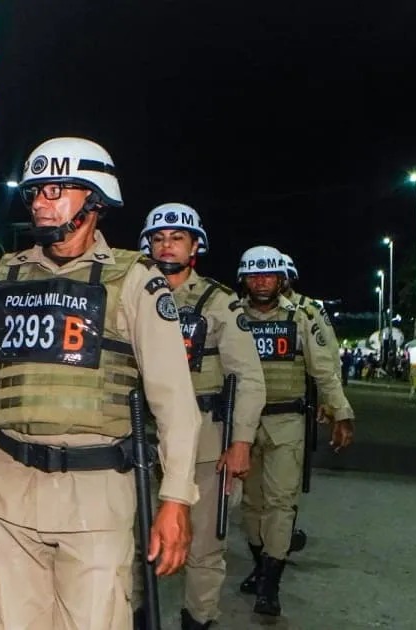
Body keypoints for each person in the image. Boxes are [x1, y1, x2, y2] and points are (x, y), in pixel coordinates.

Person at [0, 136, 203, 630]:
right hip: (11, 490)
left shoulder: (136, 282)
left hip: (96, 497)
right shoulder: (3, 279)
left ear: (94, 199)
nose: (39, 202)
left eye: (56, 190)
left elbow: (175, 404)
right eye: (36, 191)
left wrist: (176, 499)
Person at [131, 204, 267, 629]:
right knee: (133, 545)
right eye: (158, 238)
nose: (166, 245)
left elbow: (249, 378)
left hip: (206, 447)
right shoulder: (133, 294)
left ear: (195, 247)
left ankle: (198, 622)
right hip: (139, 439)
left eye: (176, 238)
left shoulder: (221, 303)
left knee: (204, 550)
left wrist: (241, 442)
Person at [235, 245, 355, 617]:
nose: (262, 281)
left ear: (282, 278)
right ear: (244, 279)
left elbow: (324, 368)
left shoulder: (303, 314)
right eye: (254, 275)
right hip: (240, 421)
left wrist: (341, 412)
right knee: (250, 504)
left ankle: (271, 583)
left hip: (287, 420)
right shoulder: (231, 313)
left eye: (269, 275)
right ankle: (261, 563)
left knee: (280, 502)